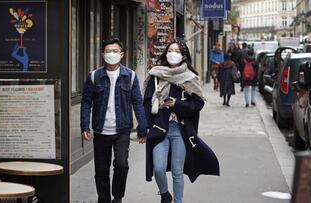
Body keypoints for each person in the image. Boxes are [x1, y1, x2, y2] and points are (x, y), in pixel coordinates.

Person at [143, 39, 220, 203]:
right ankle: (165, 194)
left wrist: (177, 104)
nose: (173, 54)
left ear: (183, 56)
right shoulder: (156, 74)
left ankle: (178, 201)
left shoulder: (190, 77)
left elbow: (198, 103)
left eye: (177, 51)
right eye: (170, 50)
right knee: (158, 168)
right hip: (159, 127)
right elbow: (146, 100)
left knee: (178, 171)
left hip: (181, 130)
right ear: (165, 53)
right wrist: (146, 126)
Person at [80, 37, 147, 203]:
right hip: (101, 131)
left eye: (115, 51)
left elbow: (138, 103)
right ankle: (103, 199)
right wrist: (84, 126)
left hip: (122, 131)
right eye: (108, 51)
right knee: (101, 170)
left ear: (121, 54)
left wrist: (142, 128)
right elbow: (86, 102)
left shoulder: (130, 76)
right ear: (103, 55)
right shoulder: (94, 76)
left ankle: (117, 197)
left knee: (122, 165)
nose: (112, 54)